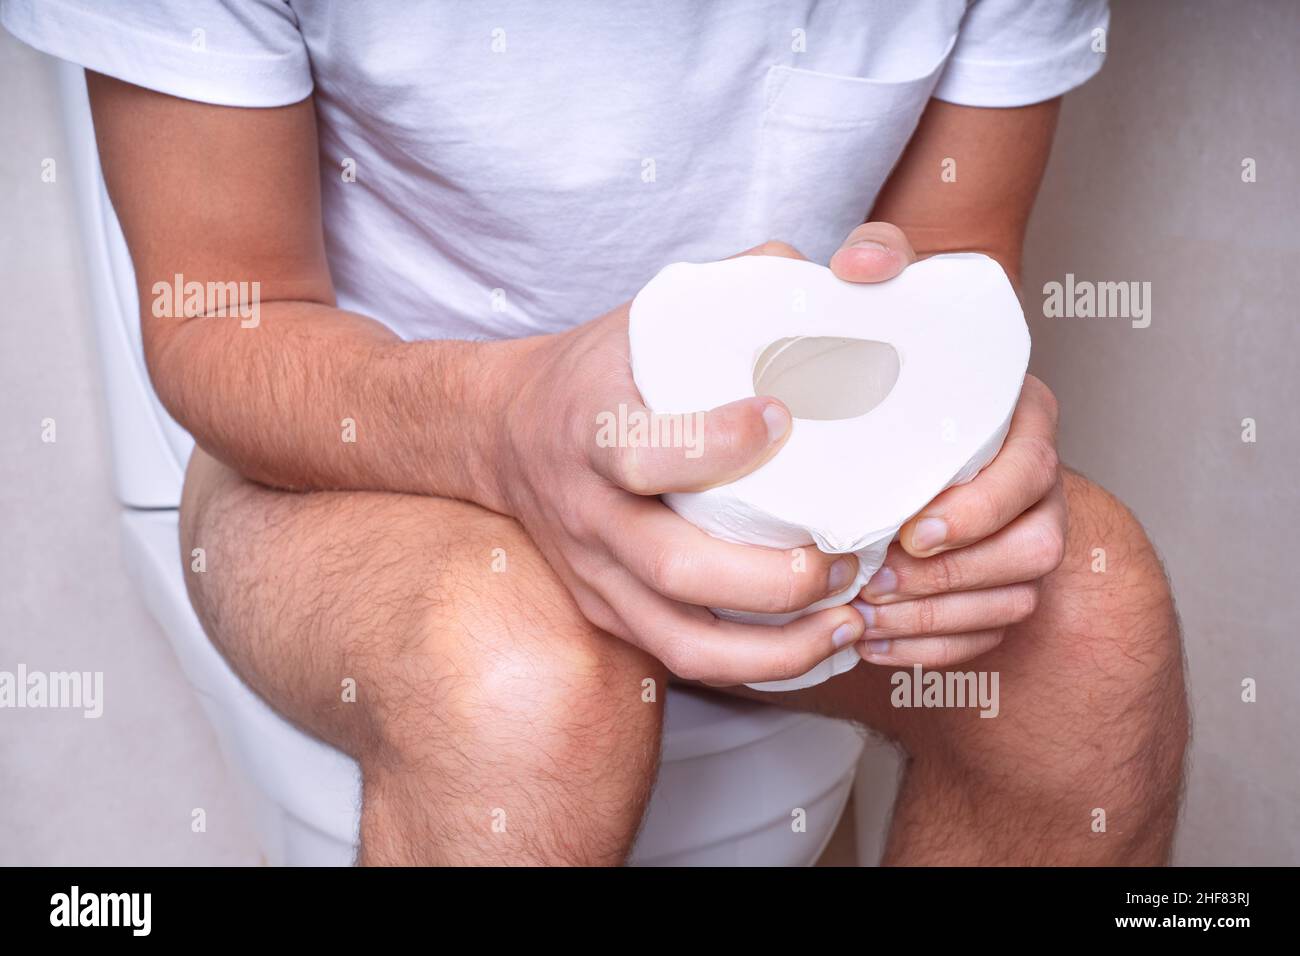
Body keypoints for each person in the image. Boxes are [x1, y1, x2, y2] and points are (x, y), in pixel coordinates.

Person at [3, 0, 1187, 865]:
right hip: (363, 460)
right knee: (519, 686)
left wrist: (962, 421)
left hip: (772, 483)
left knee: (1093, 629)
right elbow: (231, 315)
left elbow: (943, 262)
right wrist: (501, 428)